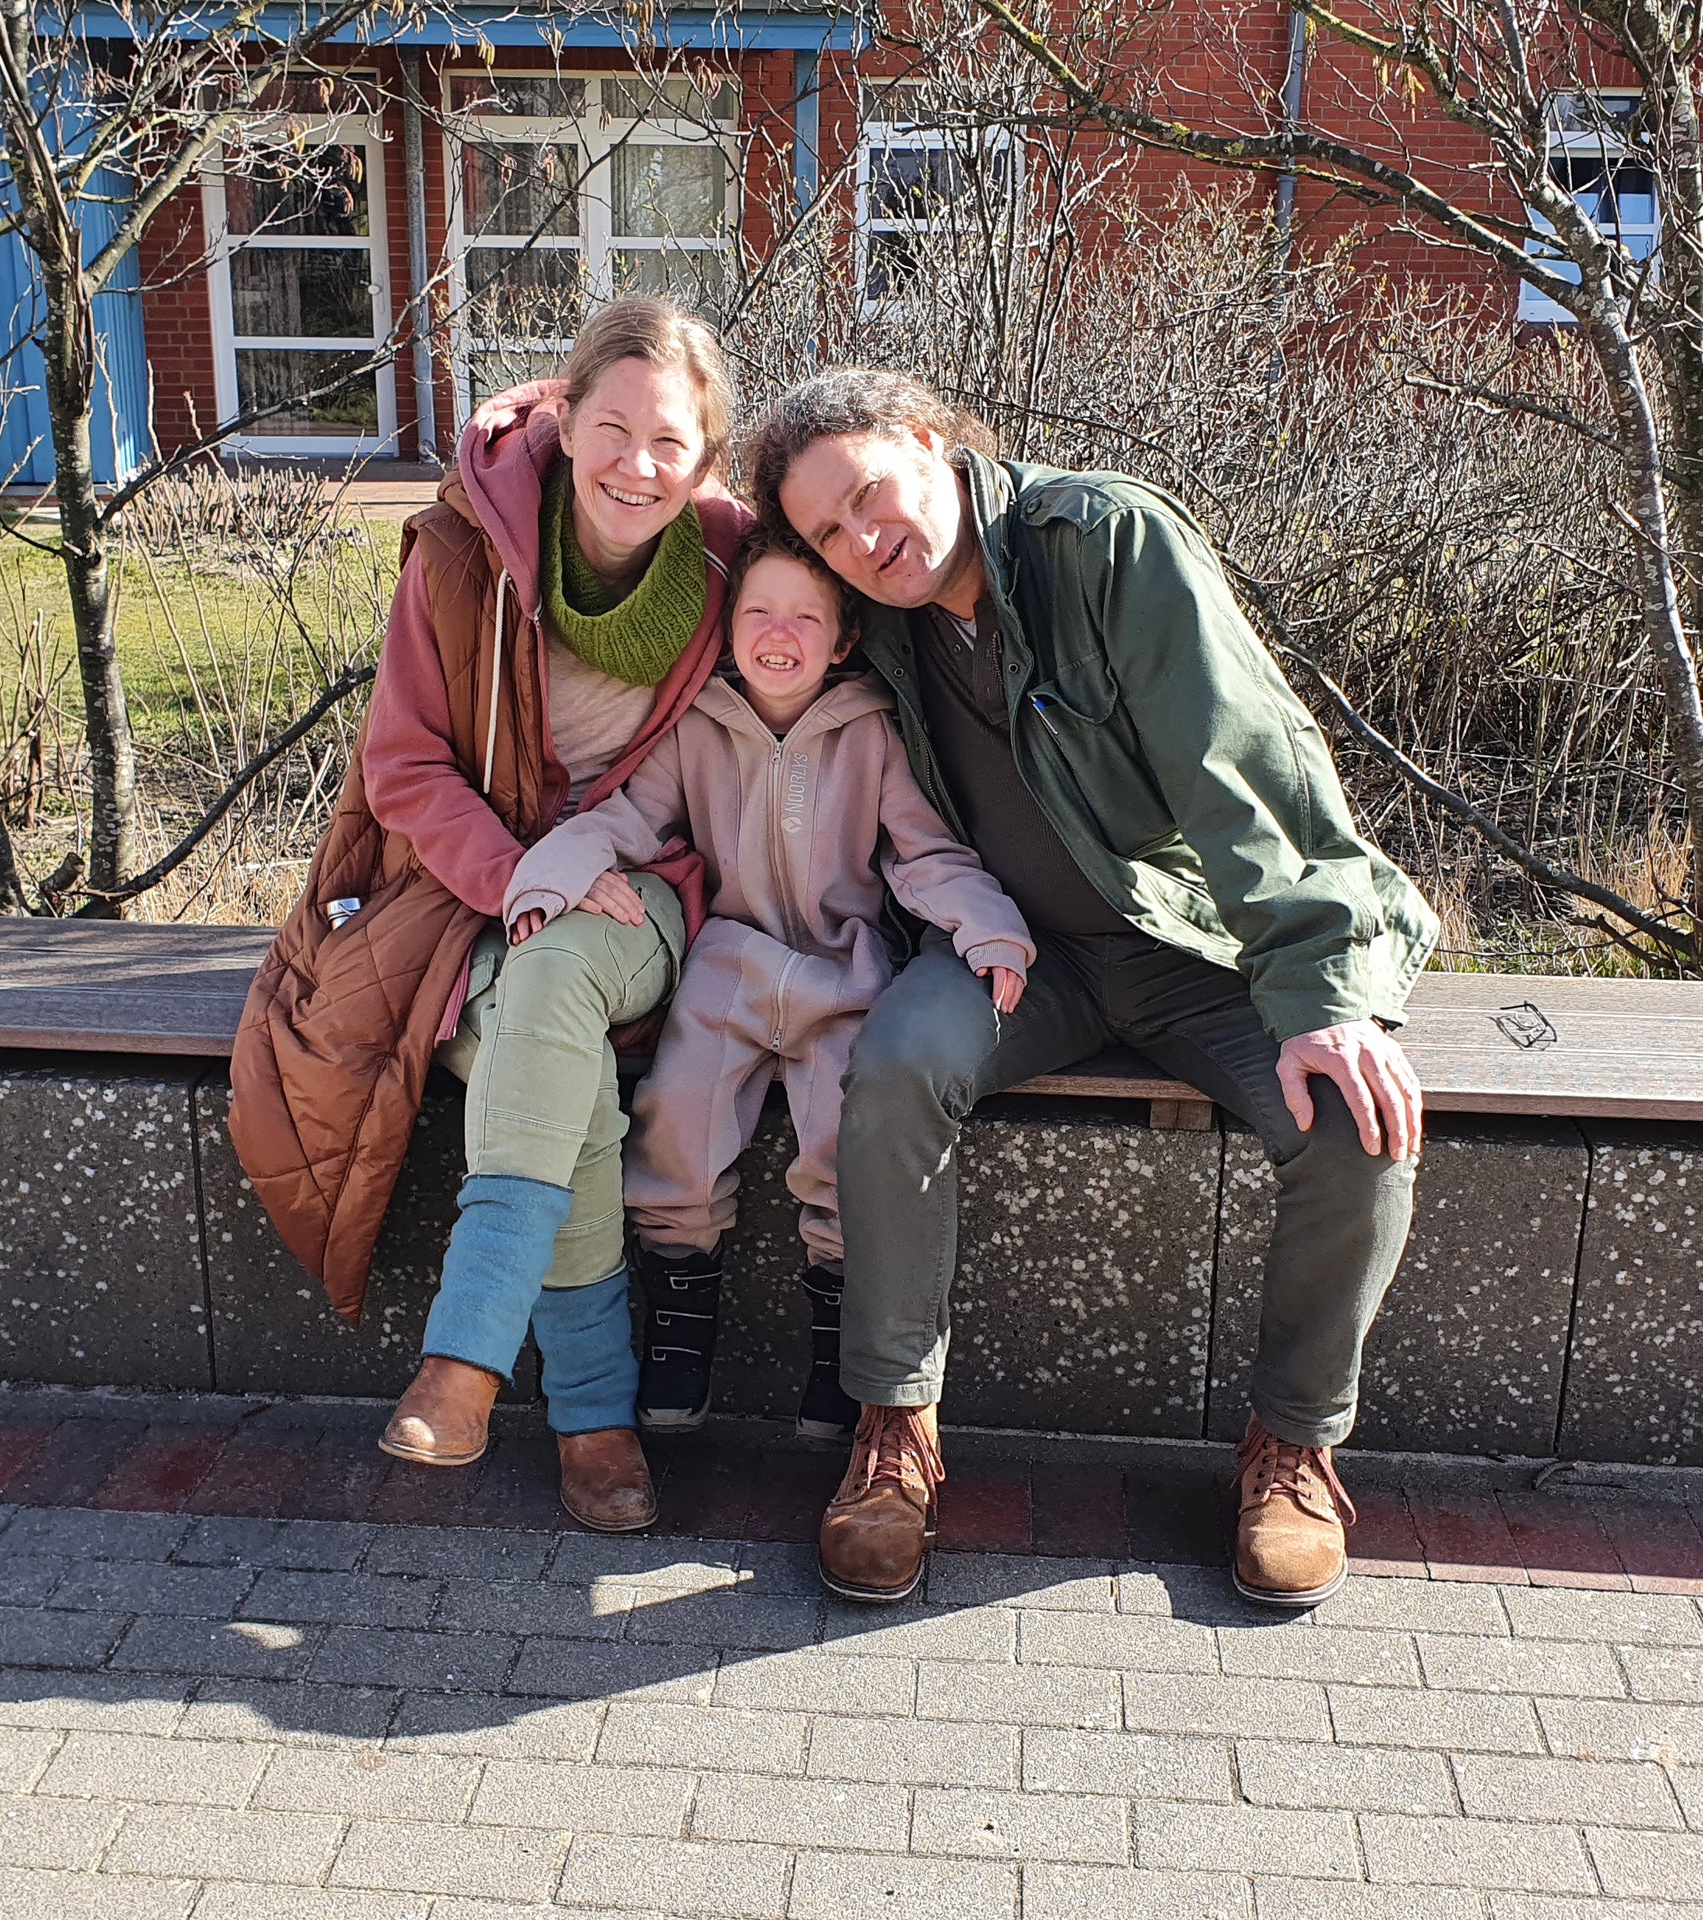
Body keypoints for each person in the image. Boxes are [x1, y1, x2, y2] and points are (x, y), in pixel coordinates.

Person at [746, 370, 1438, 1608]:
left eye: (869, 494)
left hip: (1196, 942)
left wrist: (1320, 991)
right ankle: (895, 1432)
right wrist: (529, 430)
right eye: (830, 533)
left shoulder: (1103, 541)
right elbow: (660, 513)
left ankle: (1292, 1449)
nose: (864, 541)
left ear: (927, 438)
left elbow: (1247, 769)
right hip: (1017, 954)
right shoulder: (880, 617)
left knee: (1354, 1119)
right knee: (893, 1067)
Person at [231, 298, 747, 1536]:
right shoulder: (466, 552)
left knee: (561, 978)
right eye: (612, 429)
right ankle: (594, 1418)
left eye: (669, 442)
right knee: (557, 1062)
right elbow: (404, 767)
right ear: (565, 420)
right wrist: (521, 876)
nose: (637, 465)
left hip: (645, 880)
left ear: (704, 460)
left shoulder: (733, 565)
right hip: (468, 889)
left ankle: (463, 1361)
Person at [501, 526, 1034, 1441]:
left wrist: (987, 927)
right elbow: (626, 817)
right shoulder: (699, 725)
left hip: (843, 977)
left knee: (842, 1144)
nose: (778, 634)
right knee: (677, 1123)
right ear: (729, 625)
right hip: (728, 971)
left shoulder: (871, 732)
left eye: (805, 618)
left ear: (845, 638)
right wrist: (552, 873)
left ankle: (837, 1347)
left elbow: (924, 852)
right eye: (758, 612)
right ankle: (681, 1329)